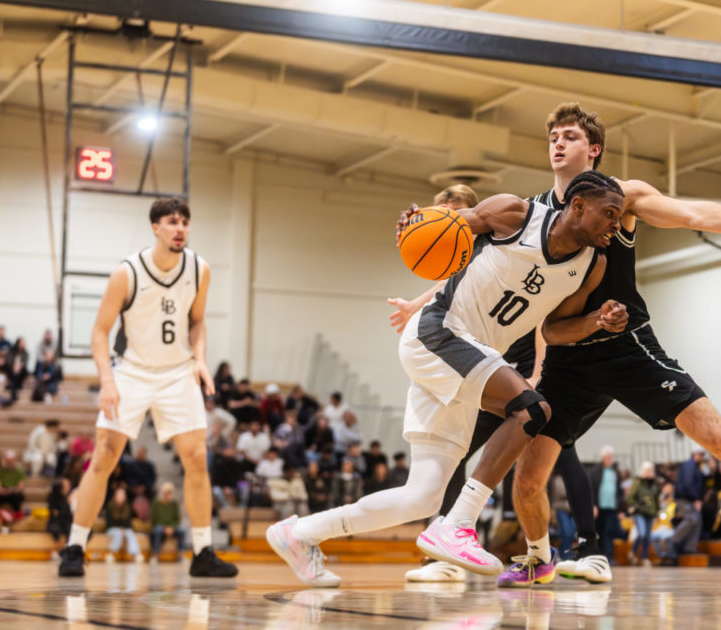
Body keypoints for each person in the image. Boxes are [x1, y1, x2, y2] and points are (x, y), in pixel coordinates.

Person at [497, 102, 721, 588]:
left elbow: (693, 212)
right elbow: (530, 306)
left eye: (570, 136)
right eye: (553, 137)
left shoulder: (622, 197)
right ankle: (538, 558)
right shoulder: (536, 213)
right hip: (568, 354)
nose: (558, 143)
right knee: (528, 476)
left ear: (594, 148)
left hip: (630, 347)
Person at [265, 171, 628, 588]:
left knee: (421, 496)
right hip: (439, 332)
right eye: (610, 213)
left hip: (466, 358)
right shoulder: (516, 213)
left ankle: (299, 534)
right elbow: (448, 227)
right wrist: (416, 223)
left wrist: (596, 321)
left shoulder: (591, 265)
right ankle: (459, 524)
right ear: (578, 207)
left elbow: (554, 330)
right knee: (532, 408)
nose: (616, 224)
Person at [392, 183, 609, 585]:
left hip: (525, 366)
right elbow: (443, 284)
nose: (448, 219)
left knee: (560, 453)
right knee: (459, 450)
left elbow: (545, 326)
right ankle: (449, 543)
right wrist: (414, 302)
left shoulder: (510, 241)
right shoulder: (465, 257)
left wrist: (539, 373)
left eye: (452, 212)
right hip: (483, 363)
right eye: (441, 213)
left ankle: (589, 546)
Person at [57, 198, 236, 578]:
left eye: (185, 222)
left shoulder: (199, 269)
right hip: (132, 372)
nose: (181, 228)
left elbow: (198, 322)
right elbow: (100, 331)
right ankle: (74, 546)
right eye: (173, 221)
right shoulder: (127, 272)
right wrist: (107, 379)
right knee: (104, 455)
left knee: (197, 460)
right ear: (156, 227)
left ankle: (203, 553)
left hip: (176, 373)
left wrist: (200, 357)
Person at [589, 446, 624, 564]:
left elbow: (619, 491)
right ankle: (599, 556)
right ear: (602, 458)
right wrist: (593, 505)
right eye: (608, 457)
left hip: (612, 506)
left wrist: (621, 509)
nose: (610, 459)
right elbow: (592, 489)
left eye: (611, 457)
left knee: (609, 531)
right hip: (599, 507)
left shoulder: (616, 472)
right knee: (598, 531)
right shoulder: (595, 471)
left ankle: (609, 555)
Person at [104, 487, 142, 563]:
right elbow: (109, 522)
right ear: (115, 496)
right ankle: (111, 553)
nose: (121, 497)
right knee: (118, 534)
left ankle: (136, 554)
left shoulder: (127, 507)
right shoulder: (110, 506)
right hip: (112, 528)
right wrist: (120, 528)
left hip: (125, 529)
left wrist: (124, 528)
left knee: (130, 533)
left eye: (123, 495)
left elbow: (129, 522)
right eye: (119, 495)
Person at [150, 482, 184, 562]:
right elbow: (154, 519)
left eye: (170, 493)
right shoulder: (156, 503)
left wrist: (172, 527)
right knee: (157, 531)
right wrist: (164, 528)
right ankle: (156, 554)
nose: (169, 495)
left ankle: (180, 554)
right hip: (160, 526)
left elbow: (177, 519)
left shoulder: (174, 503)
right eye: (167, 493)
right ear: (163, 493)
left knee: (182, 531)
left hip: (172, 527)